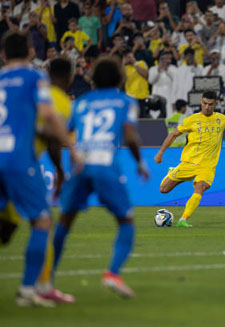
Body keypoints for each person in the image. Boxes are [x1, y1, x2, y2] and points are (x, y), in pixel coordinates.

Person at [51, 56, 149, 299]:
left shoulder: (81, 103)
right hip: (105, 166)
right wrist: (140, 163)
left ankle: (45, 281)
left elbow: (64, 133)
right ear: (120, 77)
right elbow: (130, 135)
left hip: (81, 166)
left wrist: (69, 161)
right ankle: (113, 274)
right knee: (126, 222)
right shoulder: (126, 101)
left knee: (64, 222)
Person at [0, 31, 77, 307]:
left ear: (3, 55)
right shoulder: (35, 79)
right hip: (18, 158)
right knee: (42, 220)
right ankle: (29, 291)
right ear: (32, 53)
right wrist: (72, 146)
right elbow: (46, 116)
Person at [154, 91, 225, 228]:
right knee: (163, 189)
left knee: (201, 187)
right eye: (204, 104)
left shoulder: (221, 120)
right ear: (201, 102)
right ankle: (171, 171)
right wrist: (161, 152)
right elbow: (173, 134)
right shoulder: (192, 120)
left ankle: (183, 219)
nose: (207, 107)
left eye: (210, 104)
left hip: (207, 166)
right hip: (188, 162)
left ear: (215, 104)